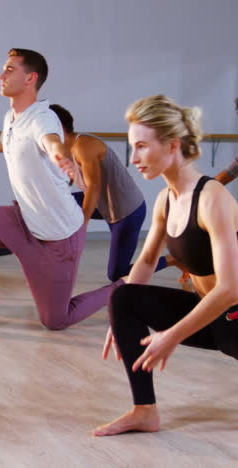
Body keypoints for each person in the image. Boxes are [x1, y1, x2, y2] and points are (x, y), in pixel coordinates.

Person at [93, 94, 238, 437]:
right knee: (123, 297)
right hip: (212, 315)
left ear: (172, 145)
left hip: (234, 317)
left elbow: (231, 288)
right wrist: (121, 316)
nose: (134, 158)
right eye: (133, 147)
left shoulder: (212, 197)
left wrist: (171, 336)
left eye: (141, 147)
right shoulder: (165, 199)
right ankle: (144, 412)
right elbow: (144, 261)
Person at [0, 48, 124, 332]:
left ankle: (122, 287)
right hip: (23, 220)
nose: (0, 75)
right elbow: (9, 141)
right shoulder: (12, 117)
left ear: (30, 78)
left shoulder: (42, 118)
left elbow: (50, 142)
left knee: (56, 320)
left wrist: (63, 158)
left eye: (9, 69)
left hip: (58, 236)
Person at [49, 104, 172, 281]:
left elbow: (93, 187)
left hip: (127, 211)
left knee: (116, 273)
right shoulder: (63, 149)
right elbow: (73, 178)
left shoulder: (84, 145)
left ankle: (172, 260)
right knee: (57, 201)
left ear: (58, 127)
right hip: (104, 203)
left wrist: (82, 224)